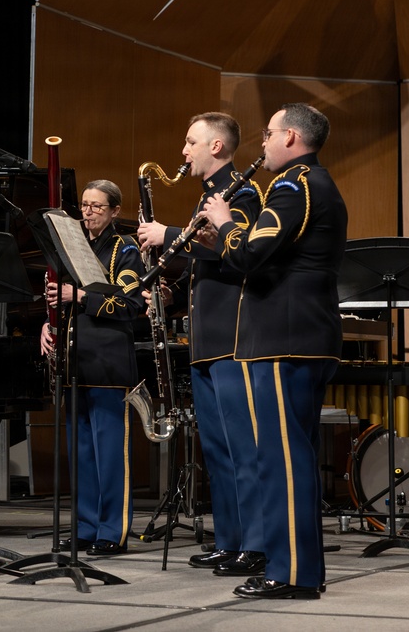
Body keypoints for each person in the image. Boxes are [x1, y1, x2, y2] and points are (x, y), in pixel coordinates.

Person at [200, 103, 347, 599]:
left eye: (267, 134)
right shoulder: (310, 184)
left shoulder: (293, 185)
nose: (261, 143)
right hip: (299, 335)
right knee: (288, 458)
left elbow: (248, 254)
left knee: (283, 461)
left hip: (285, 339)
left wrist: (222, 221)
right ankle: (292, 568)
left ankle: (293, 573)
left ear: (290, 138)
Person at [137, 112, 265, 577]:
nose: (183, 151)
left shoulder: (244, 193)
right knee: (216, 449)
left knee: (241, 448)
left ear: (216, 147)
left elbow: (241, 249)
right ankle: (230, 540)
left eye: (191, 142)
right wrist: (170, 289)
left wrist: (167, 234)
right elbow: (206, 264)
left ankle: (255, 543)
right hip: (205, 341)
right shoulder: (207, 199)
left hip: (233, 340)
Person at [41, 179, 145, 555]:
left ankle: (111, 531)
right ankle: (84, 527)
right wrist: (46, 323)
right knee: (81, 453)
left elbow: (131, 306)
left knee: (109, 455)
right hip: (75, 363)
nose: (88, 212)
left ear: (115, 211)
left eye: (97, 206)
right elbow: (58, 301)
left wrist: (81, 295)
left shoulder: (125, 249)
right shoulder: (70, 249)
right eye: (84, 205)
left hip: (107, 365)